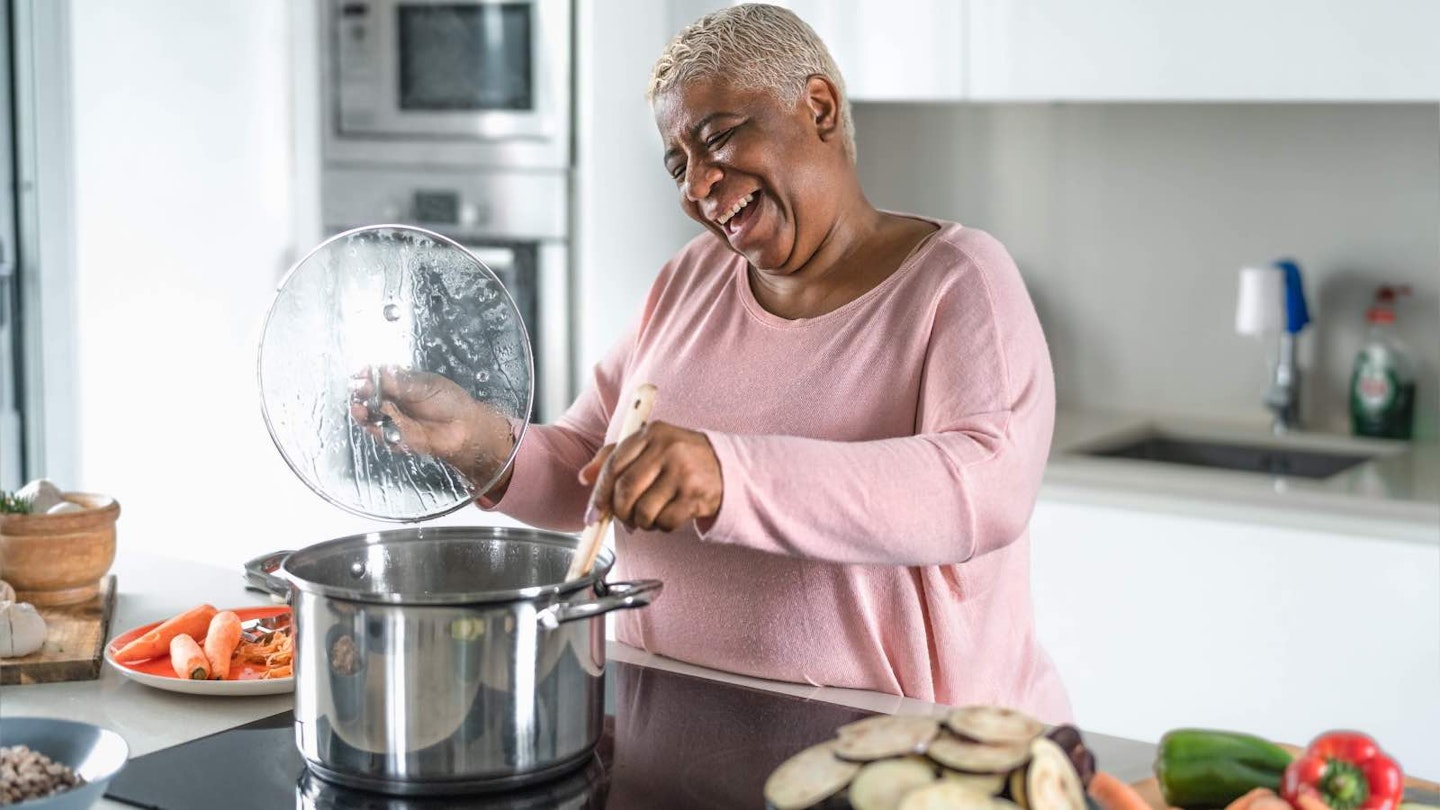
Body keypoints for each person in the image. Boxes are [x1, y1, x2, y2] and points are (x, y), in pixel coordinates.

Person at [355, 3, 1070, 721]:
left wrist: (728, 475)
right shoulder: (689, 280)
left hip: (901, 753)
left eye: (719, 139)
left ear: (818, 107)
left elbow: (982, 487)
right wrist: (481, 443)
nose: (697, 187)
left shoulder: (956, 279)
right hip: (670, 727)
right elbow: (590, 470)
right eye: (679, 165)